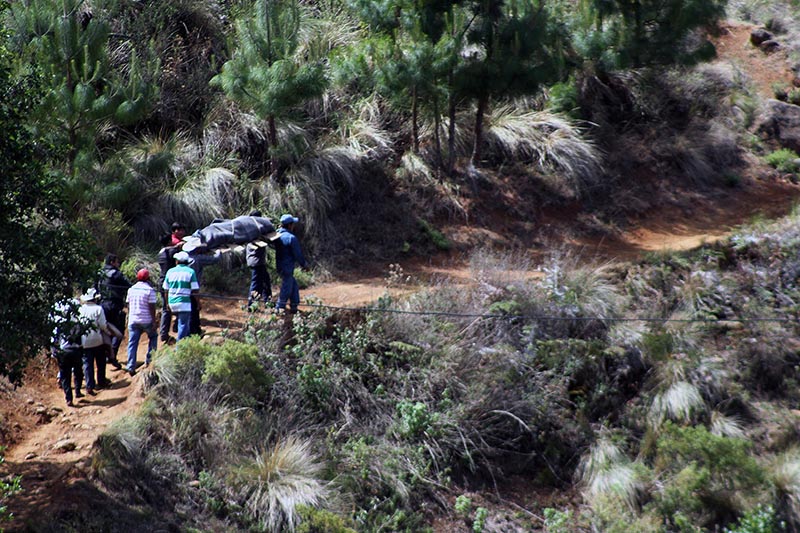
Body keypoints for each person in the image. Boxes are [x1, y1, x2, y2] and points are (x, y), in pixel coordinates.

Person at [79, 288, 115, 394]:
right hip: (97, 339)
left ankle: (89, 385)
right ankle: (101, 381)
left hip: (84, 340)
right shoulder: (98, 309)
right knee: (100, 361)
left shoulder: (80, 309)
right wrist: (109, 333)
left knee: (87, 363)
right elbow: (103, 325)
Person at [97, 253, 131, 366]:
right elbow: (128, 285)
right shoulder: (116, 274)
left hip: (102, 305)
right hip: (114, 305)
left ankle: (106, 355)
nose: (118, 264)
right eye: (117, 262)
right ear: (112, 262)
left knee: (106, 330)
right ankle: (112, 355)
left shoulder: (99, 274)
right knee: (119, 330)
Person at [51, 299, 84, 407]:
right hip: (75, 351)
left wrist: (54, 352)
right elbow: (81, 339)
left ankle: (68, 398)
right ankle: (78, 391)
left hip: (63, 352)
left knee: (65, 376)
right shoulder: (77, 324)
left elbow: (54, 340)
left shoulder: (59, 325)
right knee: (78, 372)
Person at [184, 242, 221, 336]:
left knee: (187, 311)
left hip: (182, 289)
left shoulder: (183, 259)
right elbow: (215, 259)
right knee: (194, 310)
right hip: (193, 289)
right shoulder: (198, 259)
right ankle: (194, 332)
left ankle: (194, 330)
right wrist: (218, 250)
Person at [126, 269, 158, 375]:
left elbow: (128, 305)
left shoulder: (131, 289)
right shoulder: (150, 290)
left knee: (132, 343)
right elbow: (152, 307)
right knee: (153, 337)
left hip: (133, 320)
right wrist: (154, 321)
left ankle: (130, 366)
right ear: (148, 278)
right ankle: (150, 361)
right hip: (146, 320)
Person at [274, 213, 308, 314]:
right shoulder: (291, 238)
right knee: (286, 288)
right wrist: (304, 265)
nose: (293, 226)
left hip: (280, 266)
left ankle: (294, 306)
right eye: (292, 224)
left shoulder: (277, 235)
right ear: (289, 225)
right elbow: (298, 254)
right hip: (288, 267)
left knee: (293, 284)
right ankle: (279, 307)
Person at [163, 251, 199, 340]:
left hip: (172, 302)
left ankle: (185, 342)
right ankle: (180, 347)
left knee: (182, 324)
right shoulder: (191, 272)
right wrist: (198, 303)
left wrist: (167, 303)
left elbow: (166, 289)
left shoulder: (170, 271)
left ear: (177, 261)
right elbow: (195, 290)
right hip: (184, 303)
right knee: (183, 324)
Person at [246, 210, 272, 309]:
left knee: (265, 281)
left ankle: (267, 301)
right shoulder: (255, 230)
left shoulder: (249, 229)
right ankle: (251, 305)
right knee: (256, 283)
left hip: (256, 261)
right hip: (256, 261)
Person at [157, 234, 180, 343]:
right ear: (170, 241)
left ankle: (164, 333)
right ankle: (166, 333)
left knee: (166, 308)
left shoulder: (161, 253)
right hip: (170, 282)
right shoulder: (171, 252)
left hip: (162, 281)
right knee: (169, 308)